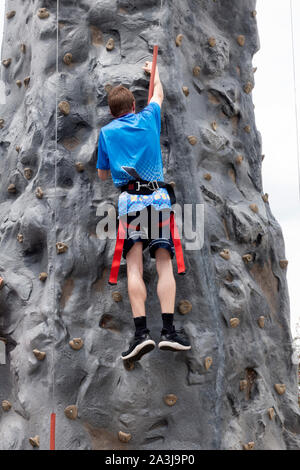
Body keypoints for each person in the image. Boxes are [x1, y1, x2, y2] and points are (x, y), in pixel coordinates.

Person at [97, 61, 191, 363]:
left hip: (130, 201)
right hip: (159, 199)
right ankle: (168, 332)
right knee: (164, 263)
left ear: (112, 112)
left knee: (135, 267)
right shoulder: (149, 116)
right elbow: (159, 94)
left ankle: (140, 335)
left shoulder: (107, 133)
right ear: (133, 105)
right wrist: (155, 72)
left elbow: (101, 175)